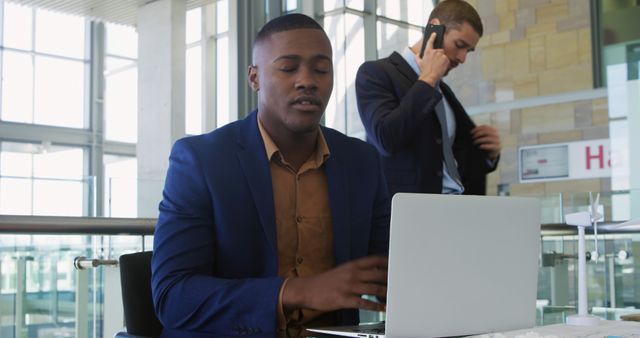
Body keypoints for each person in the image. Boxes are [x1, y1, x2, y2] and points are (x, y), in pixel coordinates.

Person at [151, 13, 390, 337]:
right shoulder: (201, 161)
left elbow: (386, 272)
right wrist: (297, 291)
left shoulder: (362, 161)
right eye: (289, 67)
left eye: (321, 69)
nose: (307, 80)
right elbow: (174, 297)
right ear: (254, 77)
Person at [355, 0, 501, 197]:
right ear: (435, 28)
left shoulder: (443, 92)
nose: (462, 58)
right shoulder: (376, 73)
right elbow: (386, 139)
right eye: (459, 45)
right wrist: (428, 79)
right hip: (408, 214)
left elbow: (452, 157)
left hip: (454, 210)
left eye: (468, 51)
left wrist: (488, 155)